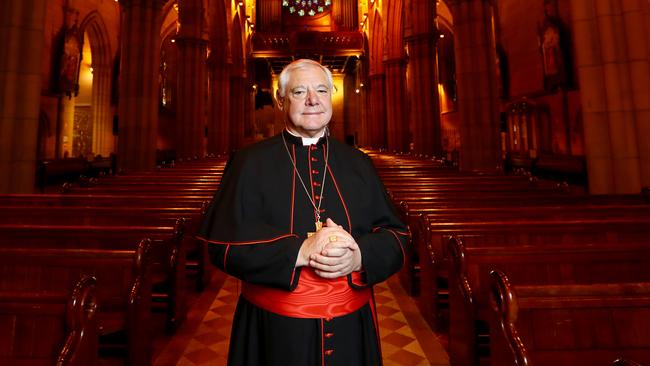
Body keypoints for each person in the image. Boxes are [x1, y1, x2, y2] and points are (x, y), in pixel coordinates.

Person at [197, 59, 409, 366]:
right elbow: (222, 247)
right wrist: (299, 251)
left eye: (322, 90)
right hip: (274, 332)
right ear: (280, 100)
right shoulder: (248, 163)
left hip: (352, 328)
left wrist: (359, 256)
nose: (313, 99)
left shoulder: (358, 163)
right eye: (300, 91)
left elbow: (398, 236)